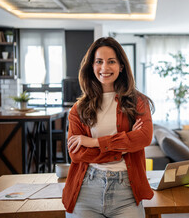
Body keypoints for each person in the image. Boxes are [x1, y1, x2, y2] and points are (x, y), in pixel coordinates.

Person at [62, 37, 154, 217]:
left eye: (111, 61)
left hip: (126, 190)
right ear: (92, 67)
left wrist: (94, 142)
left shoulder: (138, 102)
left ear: (121, 66)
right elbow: (77, 153)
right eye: (99, 62)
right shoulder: (78, 109)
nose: (104, 68)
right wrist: (124, 146)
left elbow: (143, 138)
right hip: (85, 189)